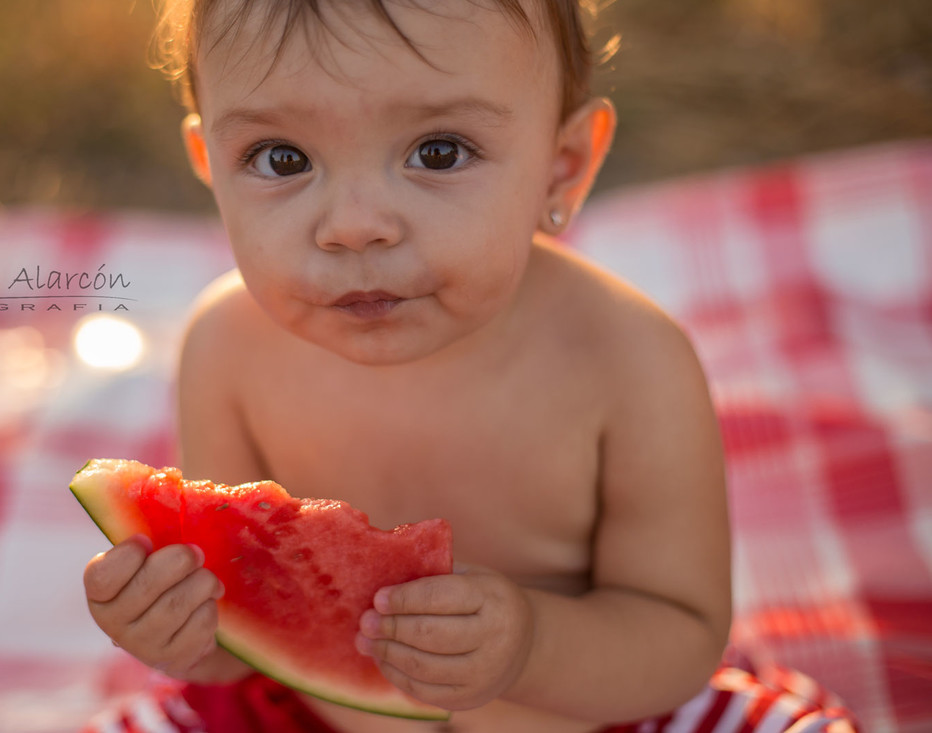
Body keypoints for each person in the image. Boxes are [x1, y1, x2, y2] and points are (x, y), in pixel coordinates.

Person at [80, 1, 859, 730]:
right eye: (281, 158)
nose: (354, 226)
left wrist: (528, 645)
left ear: (562, 166)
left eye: (438, 152)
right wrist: (181, 629)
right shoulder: (228, 345)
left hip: (594, 711)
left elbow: (680, 630)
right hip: (309, 711)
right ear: (209, 162)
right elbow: (247, 615)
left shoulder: (631, 359)